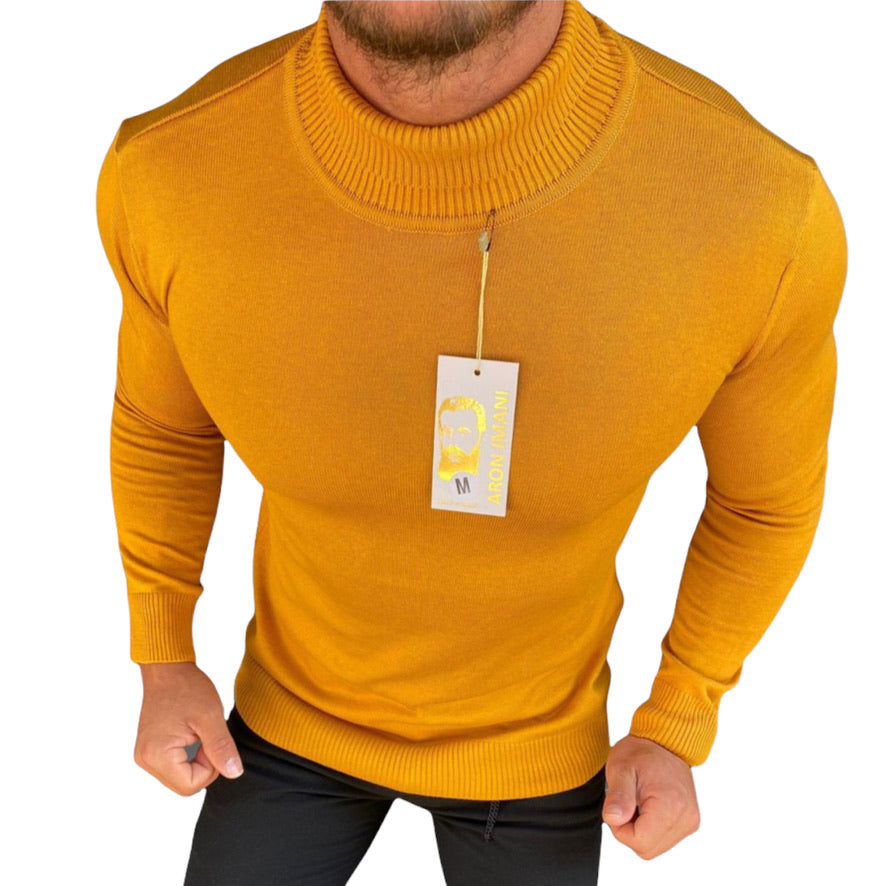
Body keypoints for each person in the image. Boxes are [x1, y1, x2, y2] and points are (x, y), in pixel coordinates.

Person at [95, 1, 847, 883]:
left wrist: (678, 716)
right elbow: (164, 428)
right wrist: (163, 655)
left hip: (540, 747)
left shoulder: (760, 209)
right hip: (288, 717)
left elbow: (763, 504)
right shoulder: (170, 169)